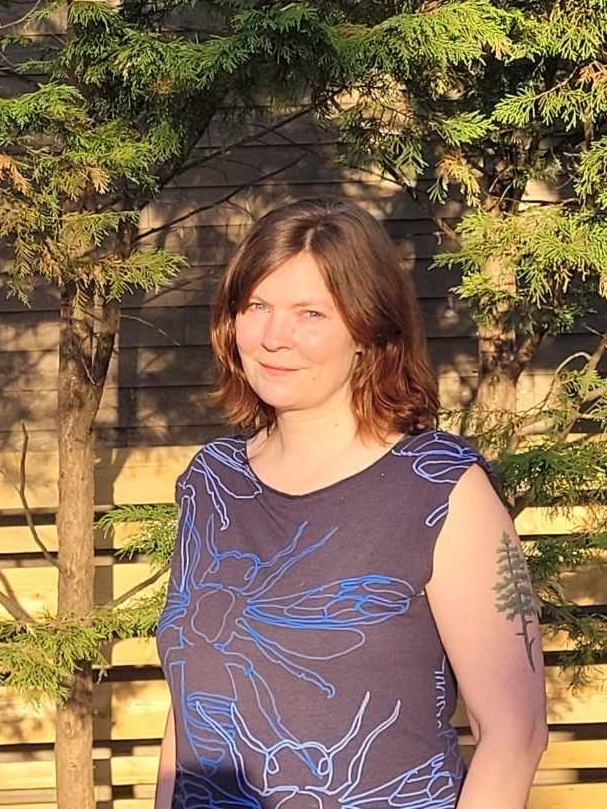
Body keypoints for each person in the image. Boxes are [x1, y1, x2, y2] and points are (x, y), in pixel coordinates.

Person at [155, 197, 548, 809]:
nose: (274, 337)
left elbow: (514, 733)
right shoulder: (213, 483)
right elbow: (188, 705)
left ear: (368, 332)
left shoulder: (440, 486)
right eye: (257, 306)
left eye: (310, 313)